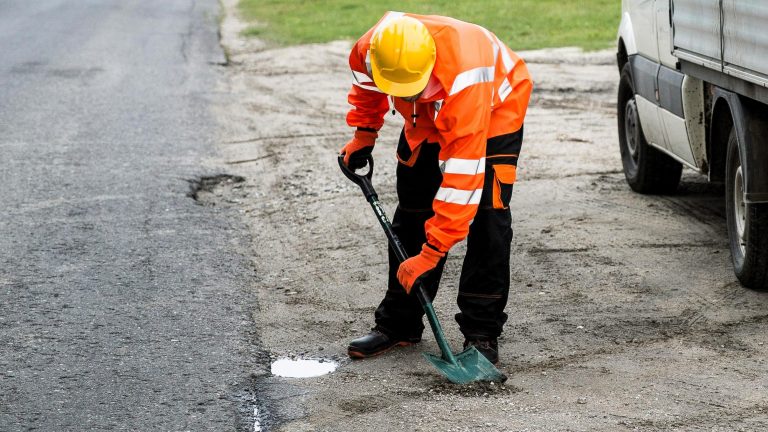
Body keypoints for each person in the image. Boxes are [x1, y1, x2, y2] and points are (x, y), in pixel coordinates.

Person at [339, 12, 532, 364]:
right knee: (413, 208)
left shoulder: (467, 75)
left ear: (428, 67)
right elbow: (367, 87)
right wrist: (364, 134)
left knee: (488, 217)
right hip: (425, 110)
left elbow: (462, 181)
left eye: (410, 87)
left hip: (493, 109)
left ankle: (481, 334)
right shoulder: (372, 50)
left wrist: (431, 254)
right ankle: (399, 324)